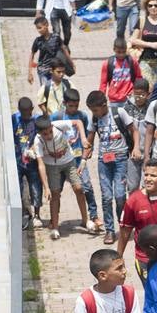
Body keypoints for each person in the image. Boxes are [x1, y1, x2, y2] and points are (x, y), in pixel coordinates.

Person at [86, 90, 137, 244]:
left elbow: (133, 130)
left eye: (95, 110)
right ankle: (109, 230)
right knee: (107, 197)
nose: (94, 113)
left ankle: (123, 228)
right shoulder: (95, 118)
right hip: (103, 161)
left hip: (121, 159)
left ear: (103, 105)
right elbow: (90, 139)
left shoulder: (119, 112)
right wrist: (86, 152)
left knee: (120, 196)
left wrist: (137, 148)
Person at [28, 114, 90, 240]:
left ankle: (85, 220)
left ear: (52, 126)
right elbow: (41, 165)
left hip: (69, 161)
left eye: (50, 132)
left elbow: (78, 122)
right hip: (52, 166)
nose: (49, 136)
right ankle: (55, 227)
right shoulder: (38, 141)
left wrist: (83, 138)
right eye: (45, 134)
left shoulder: (58, 125)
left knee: (78, 188)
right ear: (40, 134)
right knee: (55, 194)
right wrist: (46, 187)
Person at [56, 89, 100, 235]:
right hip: (61, 161)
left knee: (86, 186)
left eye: (76, 105)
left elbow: (88, 135)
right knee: (57, 190)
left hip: (78, 159)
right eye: (71, 106)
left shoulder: (83, 116)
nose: (74, 109)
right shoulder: (58, 116)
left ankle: (92, 216)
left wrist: (86, 154)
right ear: (64, 104)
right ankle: (54, 220)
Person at [11, 97, 43, 230]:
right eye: (23, 113)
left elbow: (41, 136)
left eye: (28, 112)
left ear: (32, 110)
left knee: (35, 187)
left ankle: (37, 215)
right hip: (17, 161)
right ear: (19, 110)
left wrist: (34, 150)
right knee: (18, 189)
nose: (26, 115)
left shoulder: (36, 120)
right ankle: (24, 212)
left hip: (32, 161)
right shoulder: (14, 119)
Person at [123, 78, 152, 191]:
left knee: (147, 186)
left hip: (148, 154)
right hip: (132, 154)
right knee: (132, 186)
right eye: (136, 94)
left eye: (142, 95)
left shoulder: (152, 108)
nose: (139, 97)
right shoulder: (126, 108)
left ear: (148, 94)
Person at [27, 15, 72, 86]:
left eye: (40, 28)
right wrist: (30, 73)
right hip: (43, 70)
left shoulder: (56, 37)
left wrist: (71, 63)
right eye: (37, 29)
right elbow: (32, 55)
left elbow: (65, 50)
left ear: (47, 25)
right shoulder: (38, 41)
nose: (39, 30)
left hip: (55, 70)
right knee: (46, 91)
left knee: (56, 90)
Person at [99, 37, 139, 112]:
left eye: (123, 52)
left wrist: (135, 92)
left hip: (129, 98)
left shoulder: (132, 61)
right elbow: (103, 84)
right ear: (114, 49)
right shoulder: (108, 63)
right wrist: (101, 99)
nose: (121, 54)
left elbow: (138, 78)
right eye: (118, 52)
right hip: (114, 100)